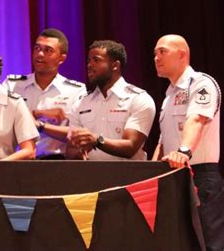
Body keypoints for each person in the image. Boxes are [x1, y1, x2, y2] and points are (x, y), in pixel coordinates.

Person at [153, 34, 223, 250]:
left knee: (209, 244)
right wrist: (150, 170)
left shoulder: (201, 83)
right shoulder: (169, 94)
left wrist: (184, 151)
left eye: (162, 51)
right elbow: (163, 140)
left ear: (182, 54)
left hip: (200, 176)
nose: (156, 58)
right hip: (172, 176)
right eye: (154, 53)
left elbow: (197, 120)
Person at [41, 40, 156, 160]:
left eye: (96, 60)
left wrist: (96, 140)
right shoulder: (81, 102)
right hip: (91, 176)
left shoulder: (138, 99)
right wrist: (81, 153)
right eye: (88, 61)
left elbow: (131, 147)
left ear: (115, 65)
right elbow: (70, 151)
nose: (89, 65)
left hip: (131, 176)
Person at [3, 28, 86, 159]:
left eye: (48, 50)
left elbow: (76, 135)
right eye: (37, 48)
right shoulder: (13, 85)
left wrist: (40, 125)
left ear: (61, 58)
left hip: (56, 163)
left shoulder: (75, 91)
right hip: (18, 162)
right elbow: (3, 121)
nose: (40, 54)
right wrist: (39, 113)